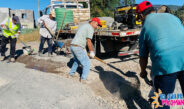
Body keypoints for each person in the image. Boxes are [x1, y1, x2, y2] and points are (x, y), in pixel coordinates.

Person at [137, 1, 184, 109]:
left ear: (141, 15)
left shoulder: (145, 28)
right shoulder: (172, 17)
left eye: (139, 18)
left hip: (166, 64)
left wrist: (143, 71)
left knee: (163, 102)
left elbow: (143, 57)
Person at [68, 17, 102, 83]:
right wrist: (91, 51)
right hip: (78, 47)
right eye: (97, 25)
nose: (97, 27)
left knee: (77, 61)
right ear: (93, 22)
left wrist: (84, 49)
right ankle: (83, 79)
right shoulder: (90, 28)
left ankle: (71, 74)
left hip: (73, 46)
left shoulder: (84, 25)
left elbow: (82, 37)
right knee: (87, 64)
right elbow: (88, 41)